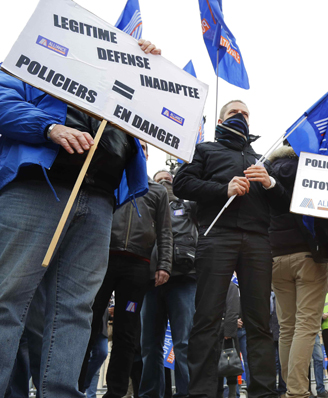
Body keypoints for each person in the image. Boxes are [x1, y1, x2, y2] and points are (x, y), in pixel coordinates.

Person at [0, 39, 159, 397]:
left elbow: (159, 111)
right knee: (8, 297)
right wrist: (47, 127)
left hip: (100, 201)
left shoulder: (119, 87)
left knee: (75, 310)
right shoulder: (30, 63)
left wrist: (148, 68)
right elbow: (3, 102)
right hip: (38, 188)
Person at [173, 100, 287, 398]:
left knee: (259, 320)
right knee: (207, 317)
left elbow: (285, 204)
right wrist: (223, 188)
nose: (241, 116)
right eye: (234, 113)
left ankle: (263, 392)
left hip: (258, 240)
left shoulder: (262, 157)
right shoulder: (205, 150)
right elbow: (181, 184)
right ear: (221, 119)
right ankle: (202, 393)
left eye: (245, 113)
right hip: (216, 236)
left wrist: (271, 182)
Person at [82, 140, 173, 398]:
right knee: (85, 322)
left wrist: (164, 265)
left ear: (147, 153)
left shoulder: (157, 192)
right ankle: (75, 386)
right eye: (135, 145)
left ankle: (116, 392)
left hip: (137, 267)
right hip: (103, 260)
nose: (139, 150)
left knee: (126, 332)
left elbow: (166, 232)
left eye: (143, 146)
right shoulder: (110, 181)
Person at [268, 141, 328, 398]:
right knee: (307, 326)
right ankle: (297, 392)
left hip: (275, 255)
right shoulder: (310, 168)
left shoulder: (268, 170)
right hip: (307, 254)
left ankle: (291, 389)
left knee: (287, 327)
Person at [139, 169, 198, 398]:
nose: (165, 180)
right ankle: (150, 394)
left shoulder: (189, 206)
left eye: (169, 177)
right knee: (149, 346)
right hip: (149, 281)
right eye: (159, 177)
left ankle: (188, 393)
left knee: (184, 342)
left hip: (183, 278)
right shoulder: (143, 204)